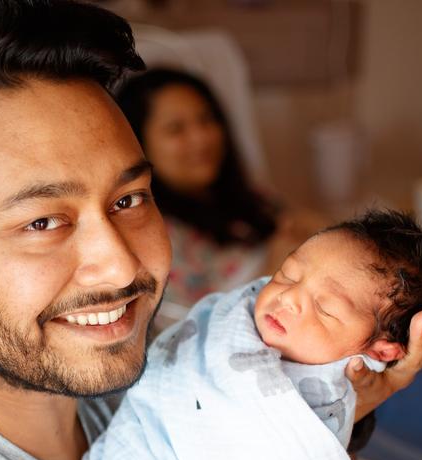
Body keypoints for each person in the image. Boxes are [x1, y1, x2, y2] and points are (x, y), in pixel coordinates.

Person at [0, 1, 422, 460]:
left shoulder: (93, 344)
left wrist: (338, 408)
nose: (121, 263)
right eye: (43, 222)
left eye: (128, 200)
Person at [86, 210, 422, 460]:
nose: (289, 297)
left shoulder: (342, 390)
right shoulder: (231, 321)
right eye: (288, 274)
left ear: (380, 351)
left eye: (325, 308)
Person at [115, 68, 319, 313]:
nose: (201, 137)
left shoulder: (253, 198)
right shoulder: (153, 237)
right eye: (176, 129)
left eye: (206, 120)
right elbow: (191, 333)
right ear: (138, 142)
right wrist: (276, 265)